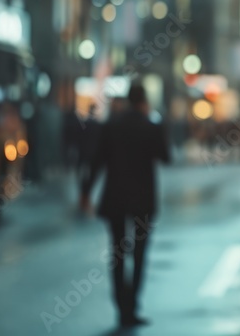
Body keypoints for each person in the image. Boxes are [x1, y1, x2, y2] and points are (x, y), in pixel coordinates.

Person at [81, 84, 169, 328]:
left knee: (117, 254)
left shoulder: (112, 125)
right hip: (143, 201)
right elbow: (165, 157)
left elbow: (97, 160)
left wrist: (85, 192)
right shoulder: (150, 125)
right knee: (139, 255)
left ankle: (121, 308)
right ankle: (133, 306)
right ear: (144, 101)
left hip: (116, 199)